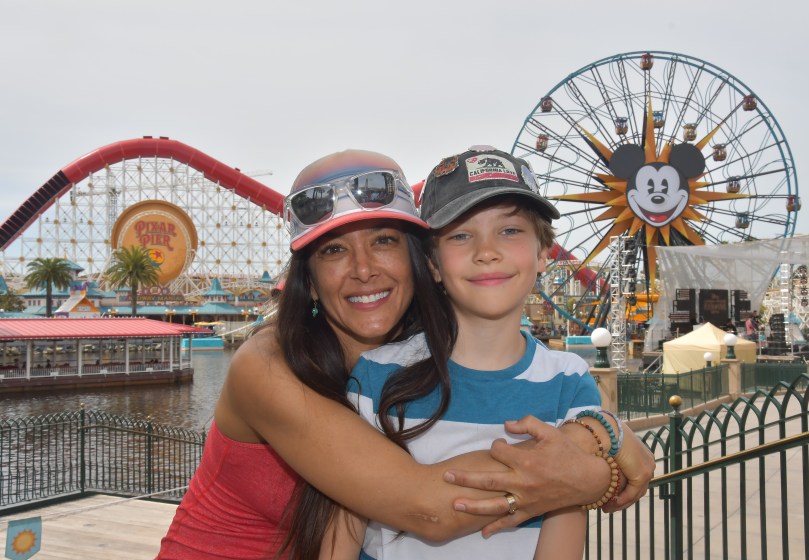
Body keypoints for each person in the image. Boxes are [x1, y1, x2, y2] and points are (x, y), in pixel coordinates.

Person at [156, 150, 654, 560]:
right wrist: (596, 442)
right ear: (309, 278)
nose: (363, 269)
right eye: (333, 251)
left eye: (384, 241)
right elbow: (428, 508)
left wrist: (591, 454)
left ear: (418, 258)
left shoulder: (421, 353)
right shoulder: (268, 364)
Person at [346, 147, 620, 559]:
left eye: (509, 230)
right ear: (433, 264)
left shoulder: (568, 381)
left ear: (543, 254)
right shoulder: (375, 376)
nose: (487, 251)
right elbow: (343, 527)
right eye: (460, 235)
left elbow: (564, 528)